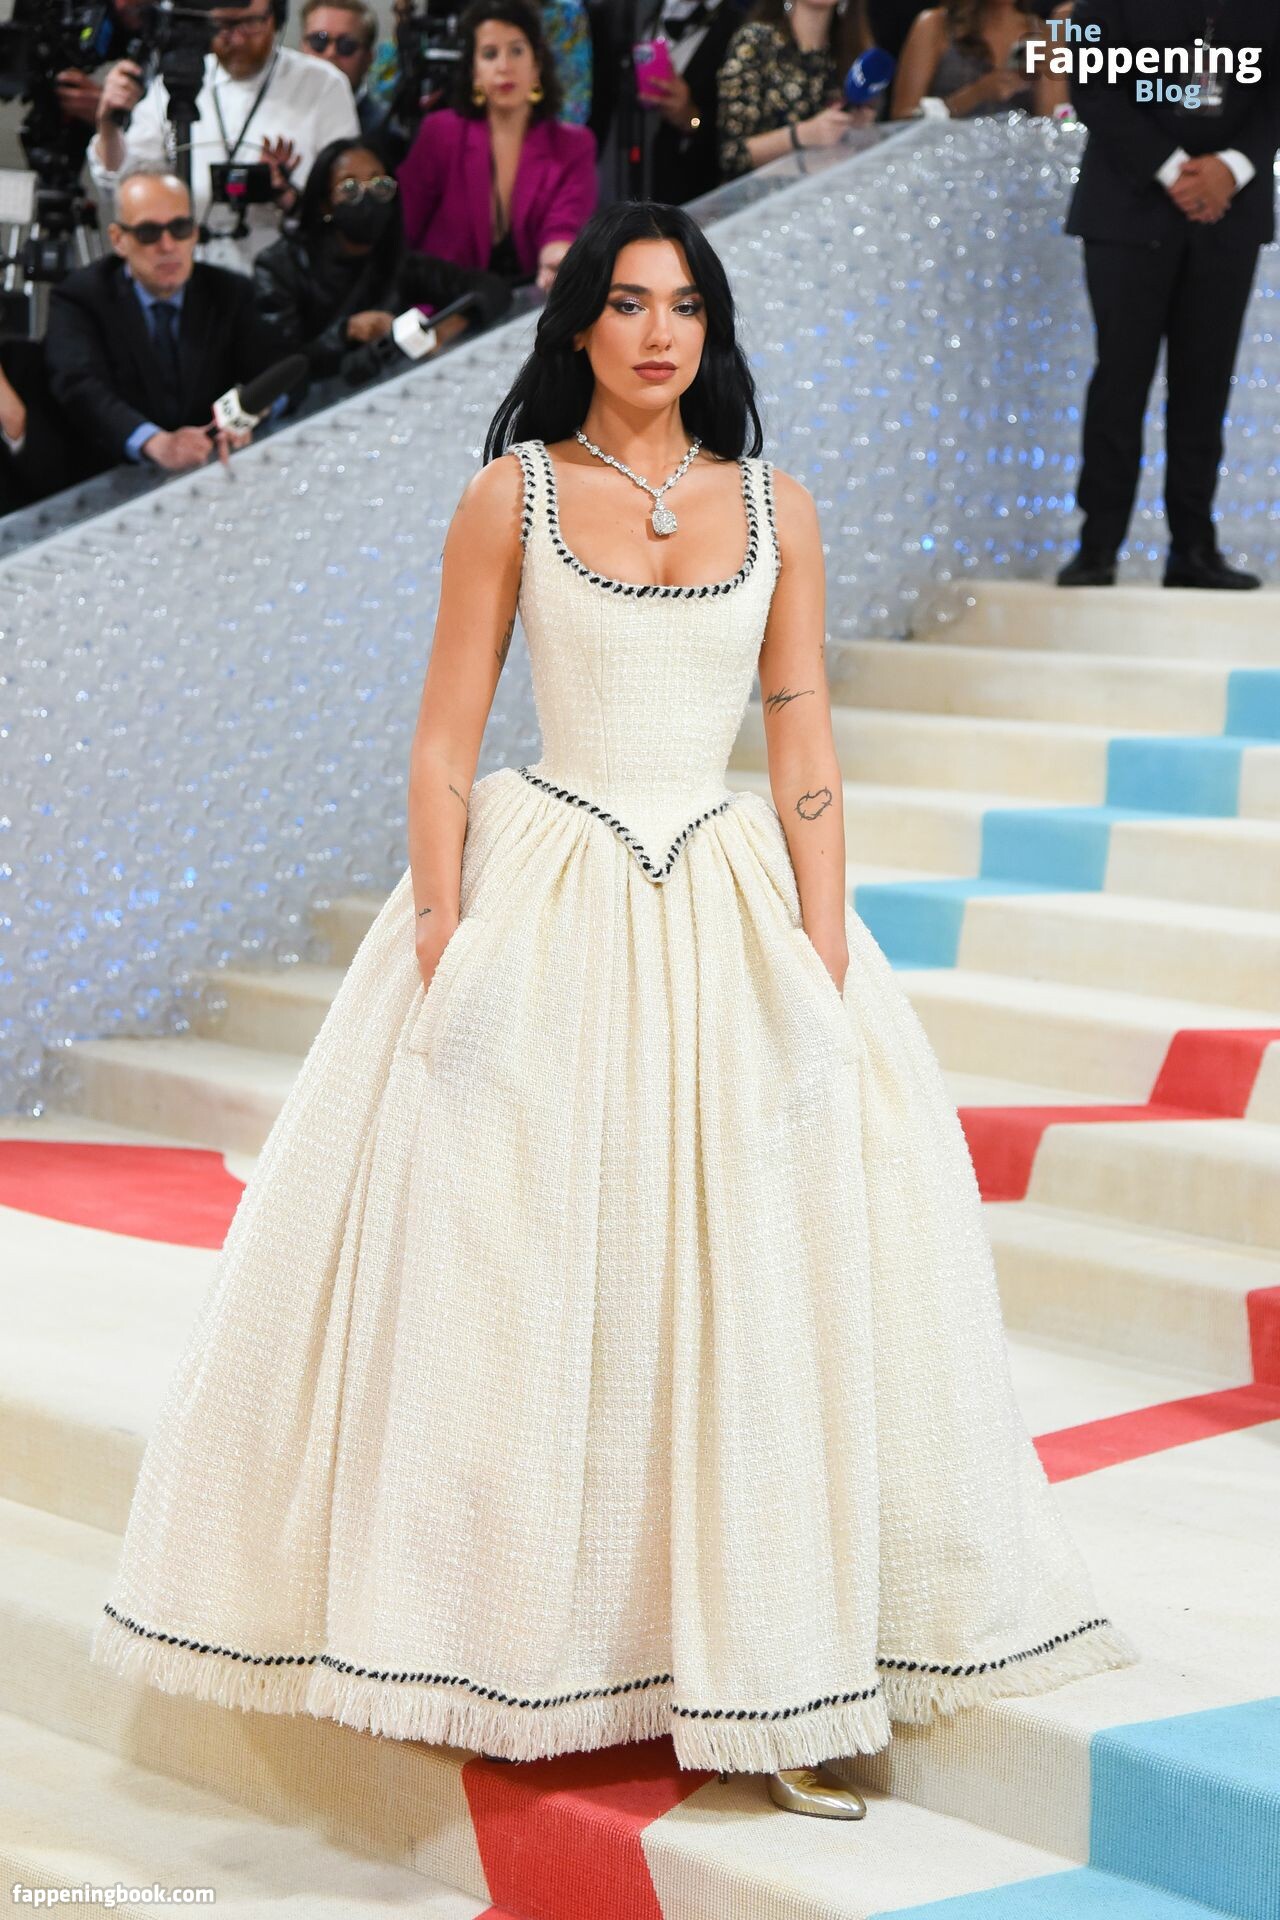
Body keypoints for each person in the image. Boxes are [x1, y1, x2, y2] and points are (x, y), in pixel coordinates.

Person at [89, 198, 1137, 1817]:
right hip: (547, 894)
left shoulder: (777, 505)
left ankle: (783, 1668)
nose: (660, 332)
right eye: (631, 302)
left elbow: (802, 739)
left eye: (687, 305)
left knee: (758, 1282)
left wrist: (823, 946)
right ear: (579, 319)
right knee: (520, 1273)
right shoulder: (508, 496)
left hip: (728, 903)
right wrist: (444, 929)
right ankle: (500, 1649)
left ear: (714, 331)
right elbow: (445, 738)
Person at [1057, 0, 1280, 589]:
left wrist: (1231, 167)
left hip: (1229, 211)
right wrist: (1174, 168)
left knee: (1205, 384)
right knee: (1120, 379)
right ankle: (1097, 547)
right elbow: (1093, 88)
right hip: (1127, 208)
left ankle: (1194, 549)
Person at [87, 0, 360, 274]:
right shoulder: (176, 82)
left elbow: (347, 203)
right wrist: (108, 126)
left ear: (275, 19)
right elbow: (123, 181)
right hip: (193, 274)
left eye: (251, 23)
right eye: (224, 25)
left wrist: (287, 193)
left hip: (289, 276)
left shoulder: (323, 85)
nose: (237, 39)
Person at [44, 164, 279, 475]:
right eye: (148, 233)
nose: (167, 246)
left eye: (180, 228)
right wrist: (154, 443)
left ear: (195, 233)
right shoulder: (79, 298)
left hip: (216, 467)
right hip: (117, 477)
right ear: (118, 239)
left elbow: (277, 371)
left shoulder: (230, 291)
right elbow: (79, 387)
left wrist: (248, 414)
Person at [252, 137, 514, 380]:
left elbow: (491, 287)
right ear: (325, 204)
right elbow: (277, 369)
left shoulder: (394, 259)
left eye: (380, 185)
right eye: (350, 187)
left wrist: (442, 330)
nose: (367, 197)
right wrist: (345, 332)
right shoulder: (279, 268)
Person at [396, 0, 597, 292]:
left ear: (536, 65)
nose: (504, 66)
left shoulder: (574, 145)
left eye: (517, 51)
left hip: (531, 303)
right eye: (490, 54)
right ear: (474, 72)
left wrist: (557, 257)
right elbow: (402, 228)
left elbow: (564, 224)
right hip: (442, 300)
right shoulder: (440, 133)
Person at [715, 0, 877, 181]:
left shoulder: (853, 47)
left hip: (832, 185)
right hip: (768, 191)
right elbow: (733, 154)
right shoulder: (756, 42)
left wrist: (855, 126)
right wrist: (802, 135)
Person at [635, 0, 753, 204]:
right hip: (644, 170)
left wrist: (692, 119)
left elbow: (737, 137)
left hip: (707, 183)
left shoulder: (740, 20)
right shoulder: (644, 12)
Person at [890, 0, 1062, 119]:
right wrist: (976, 94)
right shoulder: (935, 25)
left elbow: (1054, 124)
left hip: (1019, 156)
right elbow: (902, 119)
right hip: (943, 153)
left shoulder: (1045, 34)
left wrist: (1043, 82)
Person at [297, 0, 405, 165]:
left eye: (346, 45)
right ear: (302, 47)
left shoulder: (385, 133)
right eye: (319, 41)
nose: (331, 53)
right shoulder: (276, 107)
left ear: (369, 58)